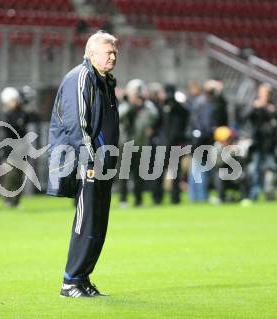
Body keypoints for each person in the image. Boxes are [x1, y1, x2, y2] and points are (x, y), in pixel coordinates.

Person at [47, 31, 119, 298]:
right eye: (107, 52)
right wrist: (90, 160)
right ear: (91, 53)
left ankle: (83, 279)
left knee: (98, 223)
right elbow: (78, 124)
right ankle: (70, 281)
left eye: (114, 52)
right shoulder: (81, 77)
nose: (112, 56)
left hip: (103, 160)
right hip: (85, 161)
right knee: (86, 221)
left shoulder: (104, 81)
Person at [118, 79, 159, 207]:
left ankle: (138, 199)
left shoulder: (147, 106)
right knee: (123, 175)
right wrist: (132, 105)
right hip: (126, 144)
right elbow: (119, 115)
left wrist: (143, 104)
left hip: (141, 144)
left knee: (139, 175)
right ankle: (123, 199)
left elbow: (154, 116)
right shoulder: (124, 105)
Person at [244, 83, 277, 201]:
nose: (264, 95)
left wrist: (274, 112)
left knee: (270, 170)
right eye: (263, 92)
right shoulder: (254, 104)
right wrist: (255, 107)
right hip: (257, 144)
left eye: (267, 93)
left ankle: (270, 196)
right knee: (254, 170)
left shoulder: (274, 106)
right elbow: (243, 117)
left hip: (270, 144)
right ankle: (253, 196)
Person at [152, 84, 189, 204]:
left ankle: (175, 198)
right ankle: (157, 198)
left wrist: (174, 103)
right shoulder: (160, 107)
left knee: (175, 173)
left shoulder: (179, 108)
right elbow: (155, 123)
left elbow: (186, 114)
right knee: (159, 172)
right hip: (163, 144)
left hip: (174, 144)